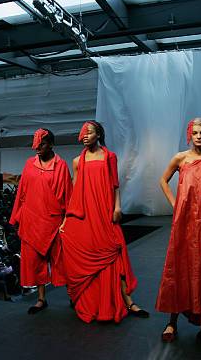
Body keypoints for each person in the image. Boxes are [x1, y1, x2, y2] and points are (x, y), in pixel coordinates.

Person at [60, 121, 148, 323]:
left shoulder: (109, 157)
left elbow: (115, 185)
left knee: (115, 252)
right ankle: (86, 299)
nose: (84, 136)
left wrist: (118, 207)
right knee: (88, 254)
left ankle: (127, 301)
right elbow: (74, 192)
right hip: (85, 214)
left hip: (105, 212)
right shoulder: (76, 162)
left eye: (88, 132)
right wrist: (66, 220)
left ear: (98, 134)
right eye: (83, 133)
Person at [156, 117, 201, 342]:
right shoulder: (180, 158)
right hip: (184, 222)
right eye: (195, 133)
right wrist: (175, 204)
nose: (198, 137)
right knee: (179, 265)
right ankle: (172, 323)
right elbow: (163, 180)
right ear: (189, 134)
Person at [9, 128, 72, 314]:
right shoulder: (29, 164)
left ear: (51, 144)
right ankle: (41, 299)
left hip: (54, 221)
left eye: (41, 144)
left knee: (62, 261)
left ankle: (73, 296)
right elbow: (21, 193)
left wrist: (66, 221)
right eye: (35, 145)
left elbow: (68, 196)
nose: (37, 148)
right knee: (36, 262)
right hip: (32, 220)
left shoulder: (61, 165)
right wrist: (17, 217)